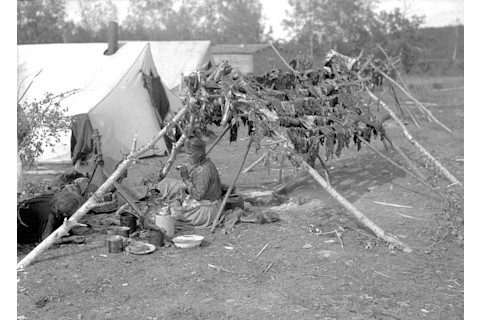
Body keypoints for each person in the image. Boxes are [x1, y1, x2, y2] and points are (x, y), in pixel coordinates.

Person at [155, 136, 224, 231]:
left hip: (205, 212)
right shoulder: (205, 164)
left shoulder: (204, 171)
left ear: (199, 155)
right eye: (186, 154)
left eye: (190, 154)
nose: (187, 157)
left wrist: (186, 178)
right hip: (209, 206)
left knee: (168, 216)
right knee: (174, 196)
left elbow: (198, 196)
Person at [17, 179, 87, 244]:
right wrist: (70, 239)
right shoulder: (49, 216)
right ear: (64, 213)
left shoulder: (55, 197)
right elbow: (45, 241)